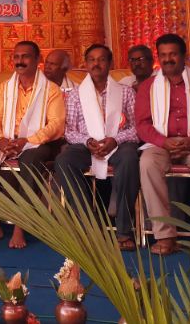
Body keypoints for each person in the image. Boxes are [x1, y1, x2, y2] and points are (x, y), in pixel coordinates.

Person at [0, 41, 66, 249]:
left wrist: (27, 141)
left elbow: (56, 125)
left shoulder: (51, 90)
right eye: (17, 57)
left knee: (31, 159)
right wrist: (1, 140)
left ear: (38, 60)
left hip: (39, 142)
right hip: (8, 139)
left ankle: (20, 225)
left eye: (25, 56)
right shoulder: (5, 88)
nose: (20, 61)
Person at [136, 34, 190, 255]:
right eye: (163, 55)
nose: (168, 59)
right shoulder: (148, 87)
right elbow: (142, 125)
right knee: (147, 164)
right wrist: (163, 142)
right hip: (161, 144)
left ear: (184, 56)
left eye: (173, 54)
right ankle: (165, 236)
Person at [54, 44, 139, 250]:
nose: (96, 64)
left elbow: (137, 128)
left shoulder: (125, 92)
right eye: (92, 60)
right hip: (87, 145)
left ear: (110, 63)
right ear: (86, 64)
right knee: (64, 160)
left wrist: (115, 140)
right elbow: (69, 131)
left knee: (130, 159)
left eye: (101, 59)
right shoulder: (76, 94)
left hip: (118, 144)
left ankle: (124, 232)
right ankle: (89, 227)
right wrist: (87, 142)